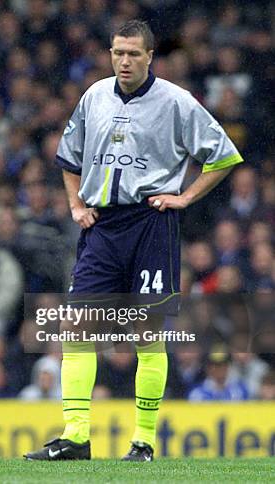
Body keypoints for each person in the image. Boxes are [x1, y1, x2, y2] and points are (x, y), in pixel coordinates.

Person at [25, 20, 243, 463]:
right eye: (117, 53)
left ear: (149, 57)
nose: (124, 61)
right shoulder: (94, 97)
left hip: (151, 223)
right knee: (76, 327)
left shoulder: (178, 102)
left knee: (146, 333)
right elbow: (69, 157)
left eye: (133, 54)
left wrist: (184, 197)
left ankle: (143, 440)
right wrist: (74, 206)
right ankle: (76, 436)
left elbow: (223, 156)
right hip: (101, 226)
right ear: (110, 53)